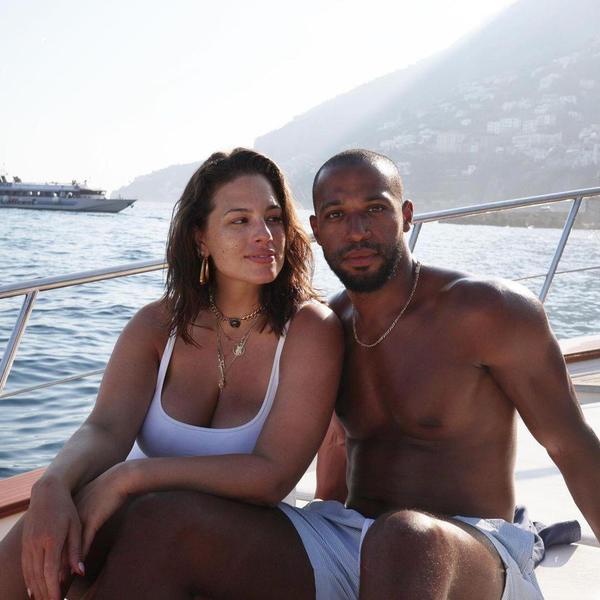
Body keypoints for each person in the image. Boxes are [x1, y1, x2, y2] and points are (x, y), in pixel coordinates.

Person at [68, 149, 599, 600]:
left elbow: (572, 446)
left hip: (472, 550)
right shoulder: (326, 328)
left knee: (404, 536)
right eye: (337, 215)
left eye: (375, 209)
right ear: (316, 229)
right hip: (351, 540)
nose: (358, 230)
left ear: (407, 215)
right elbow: (338, 449)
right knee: (162, 520)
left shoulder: (487, 311)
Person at [0, 148, 343, 600]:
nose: (264, 235)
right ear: (200, 238)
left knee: (148, 523)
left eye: (273, 218)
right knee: (41, 532)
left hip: (241, 535)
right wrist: (53, 483)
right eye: (239, 220)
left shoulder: (309, 329)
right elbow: (105, 428)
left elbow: (272, 476)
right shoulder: (157, 325)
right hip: (145, 518)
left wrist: (129, 479)